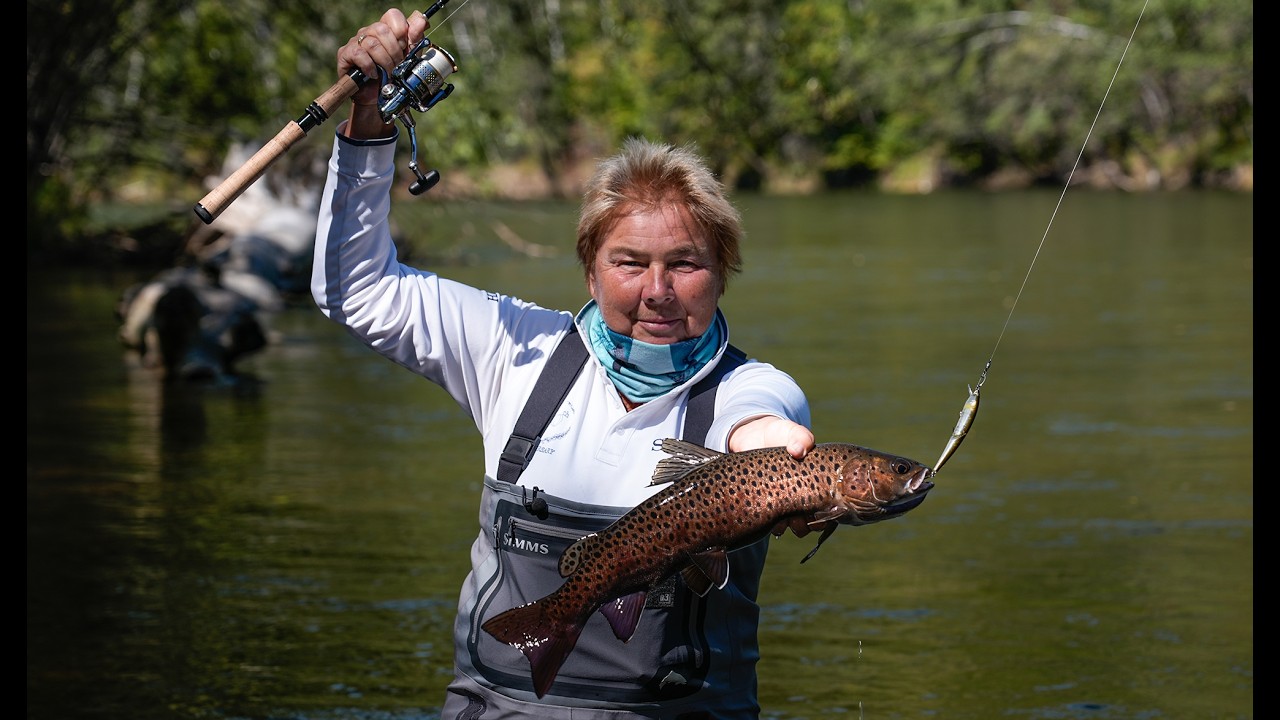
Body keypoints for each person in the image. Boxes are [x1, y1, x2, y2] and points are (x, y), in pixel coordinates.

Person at [312, 8, 815, 718]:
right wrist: (368, 119)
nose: (657, 292)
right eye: (629, 263)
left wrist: (772, 451)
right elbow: (354, 290)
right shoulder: (513, 348)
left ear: (723, 273)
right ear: (589, 272)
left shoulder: (756, 389)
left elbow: (757, 425)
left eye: (686, 264)